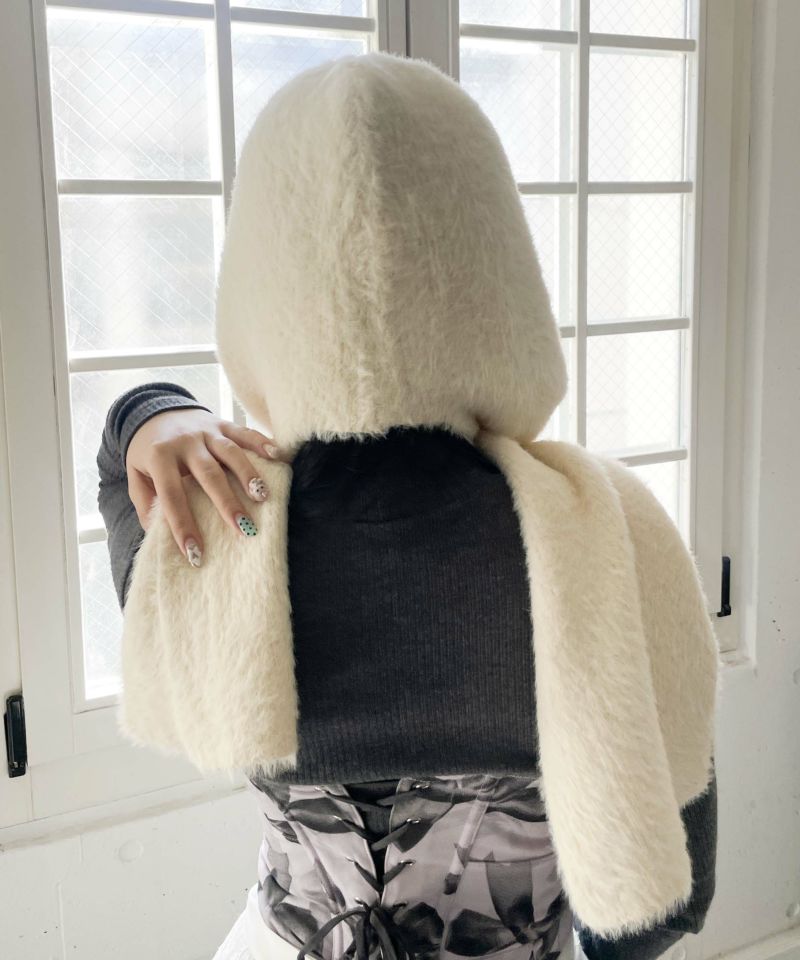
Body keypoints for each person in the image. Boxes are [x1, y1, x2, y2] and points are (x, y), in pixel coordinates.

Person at [98, 53, 718, 960]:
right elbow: (673, 892)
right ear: (494, 263)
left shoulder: (210, 534)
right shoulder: (611, 533)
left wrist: (155, 413)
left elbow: (114, 473)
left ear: (263, 287)